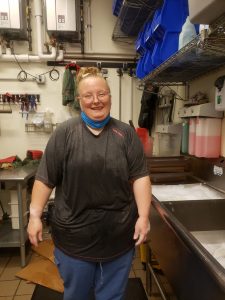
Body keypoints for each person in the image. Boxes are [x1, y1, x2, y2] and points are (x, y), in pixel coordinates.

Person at [27, 67, 152, 300]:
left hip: (119, 237)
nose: (96, 101)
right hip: (74, 239)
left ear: (110, 97)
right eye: (88, 95)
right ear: (79, 100)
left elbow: (140, 177)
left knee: (112, 296)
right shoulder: (64, 134)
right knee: (77, 295)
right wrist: (34, 216)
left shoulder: (126, 134)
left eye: (102, 94)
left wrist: (143, 216)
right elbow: (45, 179)